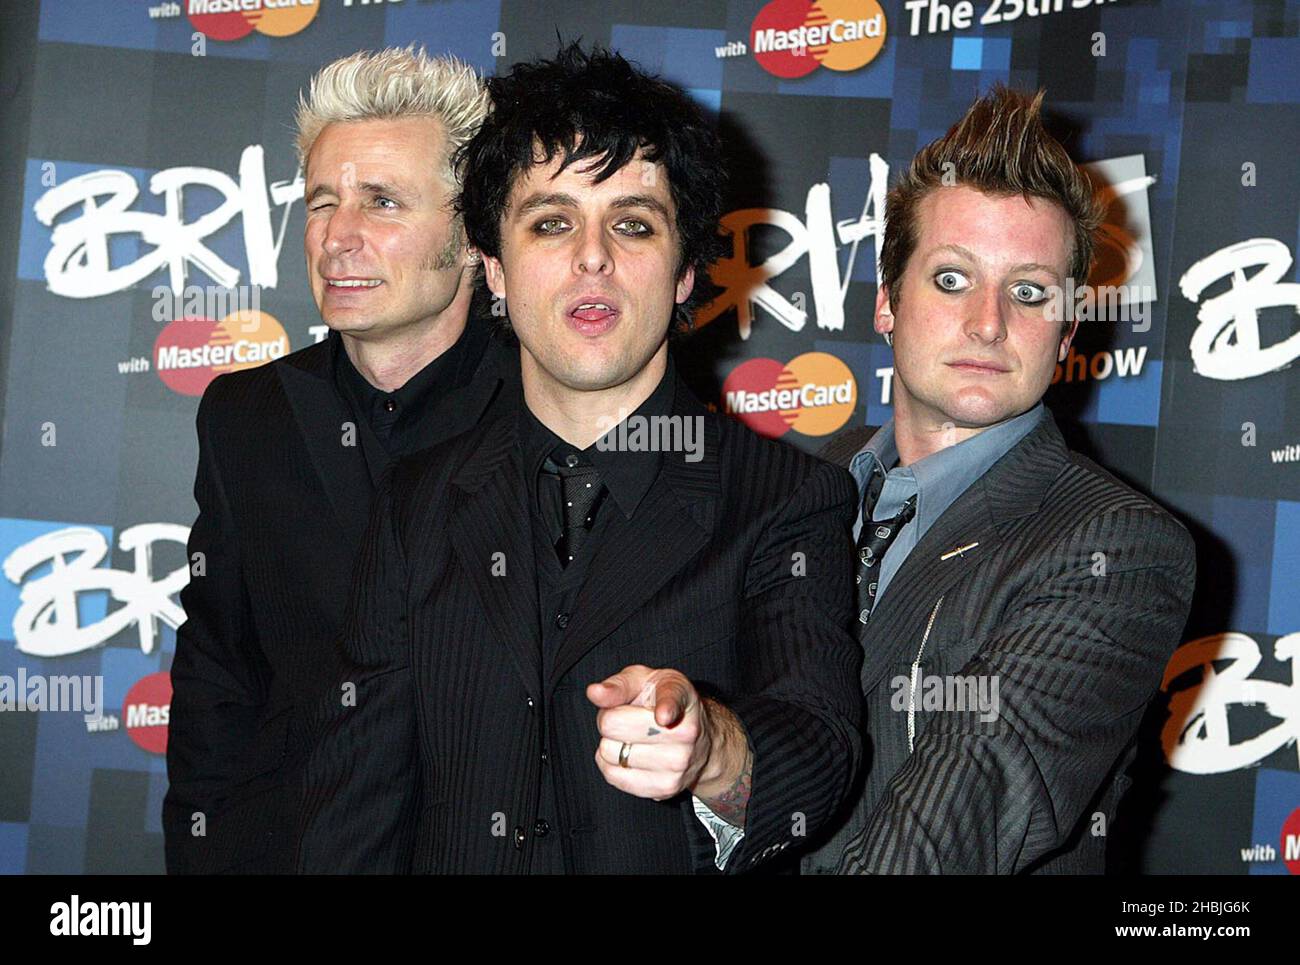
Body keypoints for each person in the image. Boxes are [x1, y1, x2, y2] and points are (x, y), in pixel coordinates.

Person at [296, 43, 863, 874]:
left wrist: (712, 750)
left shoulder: (785, 498)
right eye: (551, 222)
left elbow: (821, 750)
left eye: (633, 223)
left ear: (685, 272)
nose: (591, 256)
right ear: (491, 265)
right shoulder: (417, 497)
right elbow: (354, 808)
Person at [803, 85, 1196, 874]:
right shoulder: (787, 488)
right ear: (887, 302)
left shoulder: (1117, 546)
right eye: (952, 279)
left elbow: (952, 819)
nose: (989, 322)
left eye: (1028, 291)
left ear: (1067, 328)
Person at [163, 46, 510, 874]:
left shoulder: (548, 415)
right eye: (323, 202)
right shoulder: (248, 415)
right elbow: (218, 679)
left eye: (382, 202)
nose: (338, 237)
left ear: (472, 237)